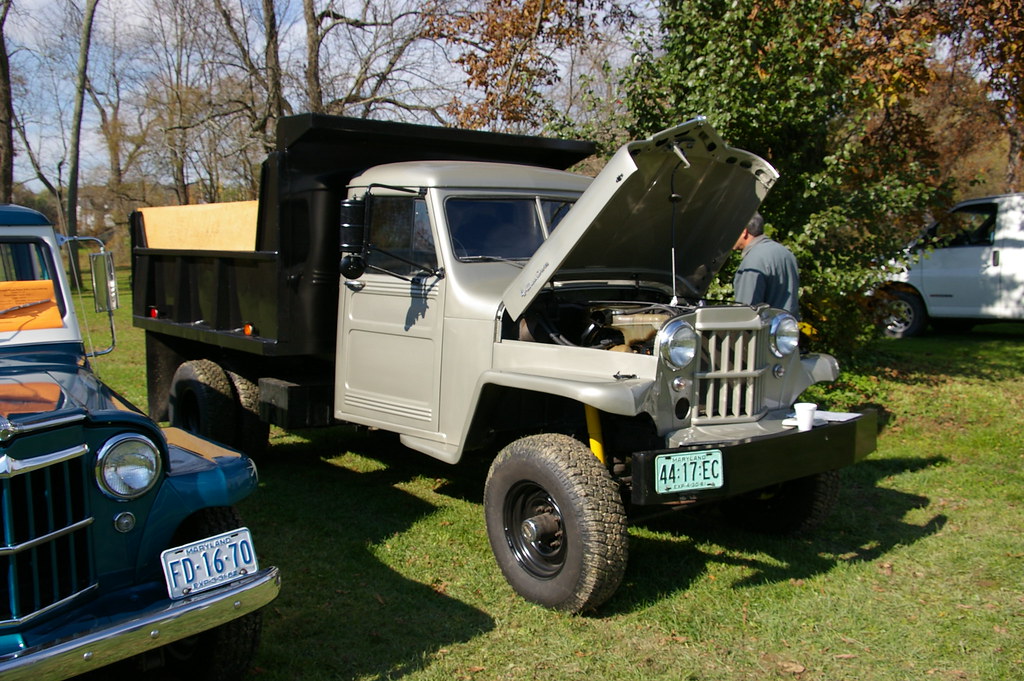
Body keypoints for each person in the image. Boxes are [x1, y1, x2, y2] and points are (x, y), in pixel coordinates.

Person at [732, 212, 800, 319]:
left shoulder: (753, 261)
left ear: (744, 232)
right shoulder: (787, 254)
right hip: (786, 330)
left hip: (764, 332)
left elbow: (745, 313)